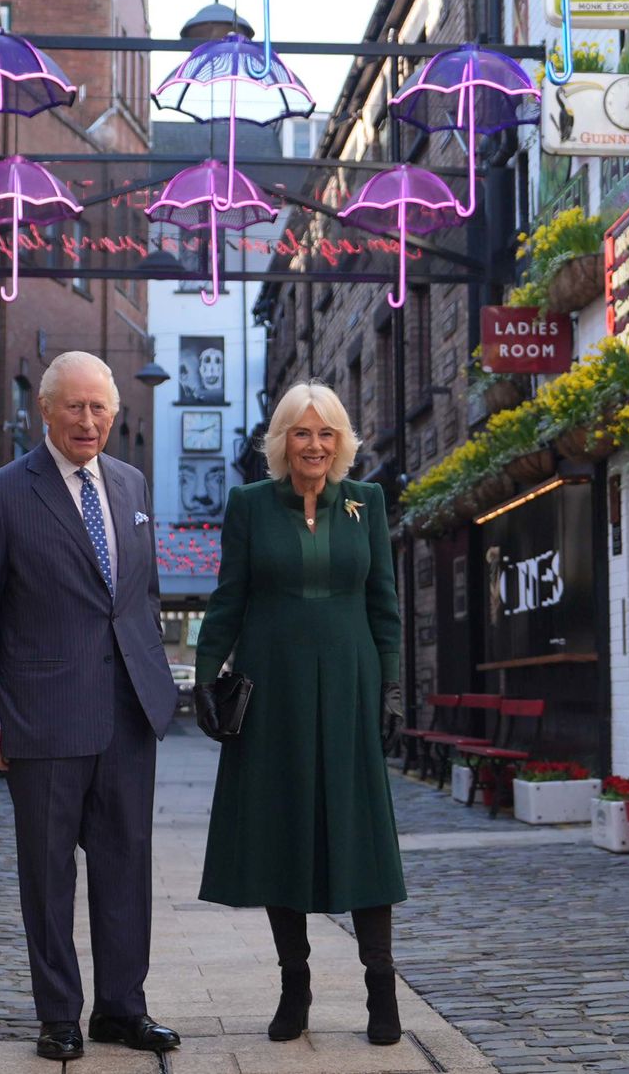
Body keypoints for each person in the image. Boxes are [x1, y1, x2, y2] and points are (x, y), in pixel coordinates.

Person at [0, 350, 180, 1063]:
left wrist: (156, 682)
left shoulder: (131, 483)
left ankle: (123, 1007)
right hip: (43, 712)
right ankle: (59, 1014)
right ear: (44, 411)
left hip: (127, 712)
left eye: (100, 408)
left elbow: (138, 598)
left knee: (126, 865)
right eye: (75, 406)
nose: (89, 420)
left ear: (114, 414)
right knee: (48, 872)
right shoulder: (1, 495)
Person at [193, 380, 406, 1046]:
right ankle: (295, 982)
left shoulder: (366, 503)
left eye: (326, 432)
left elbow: (385, 606)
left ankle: (381, 985)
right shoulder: (249, 504)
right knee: (281, 829)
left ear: (341, 442)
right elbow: (228, 598)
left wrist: (393, 689)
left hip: (350, 682)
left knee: (363, 830)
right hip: (273, 685)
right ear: (281, 441)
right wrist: (205, 675)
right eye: (301, 431)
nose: (314, 444)